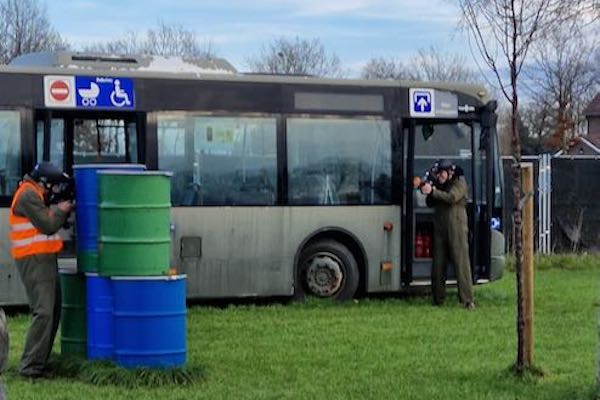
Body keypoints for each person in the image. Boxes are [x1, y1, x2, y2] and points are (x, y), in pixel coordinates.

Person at [8, 162, 72, 378]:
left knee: (54, 310)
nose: (54, 191)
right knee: (44, 311)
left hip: (44, 257)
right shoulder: (27, 195)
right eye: (53, 186)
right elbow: (47, 225)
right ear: (43, 182)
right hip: (33, 260)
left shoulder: (35, 193)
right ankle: (30, 367)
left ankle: (40, 362)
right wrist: (62, 211)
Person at [420, 159, 475, 310]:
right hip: (440, 227)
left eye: (442, 174)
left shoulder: (460, 182)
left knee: (461, 262)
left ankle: (467, 299)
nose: (439, 177)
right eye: (437, 174)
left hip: (456, 227)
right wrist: (428, 190)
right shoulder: (439, 184)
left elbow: (452, 198)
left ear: (450, 172)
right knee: (438, 264)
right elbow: (430, 202)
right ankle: (437, 298)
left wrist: (433, 191)